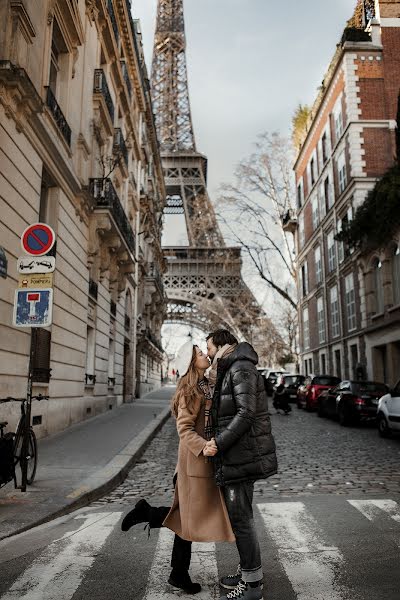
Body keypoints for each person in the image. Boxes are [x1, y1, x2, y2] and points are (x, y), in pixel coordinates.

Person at [121, 341, 235, 594]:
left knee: (187, 521)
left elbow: (220, 372)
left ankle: (176, 569)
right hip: (193, 466)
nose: (205, 354)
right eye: (199, 353)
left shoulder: (206, 384)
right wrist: (205, 446)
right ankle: (150, 519)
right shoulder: (190, 390)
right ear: (190, 362)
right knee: (188, 521)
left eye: (204, 351)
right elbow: (184, 429)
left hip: (201, 466)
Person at [206, 329, 278, 600]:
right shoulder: (232, 367)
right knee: (241, 519)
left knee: (242, 520)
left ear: (223, 346)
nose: (209, 355)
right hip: (237, 454)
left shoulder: (240, 368)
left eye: (210, 349)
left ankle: (252, 586)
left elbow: (246, 412)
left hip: (240, 453)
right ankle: (248, 570)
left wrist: (219, 442)